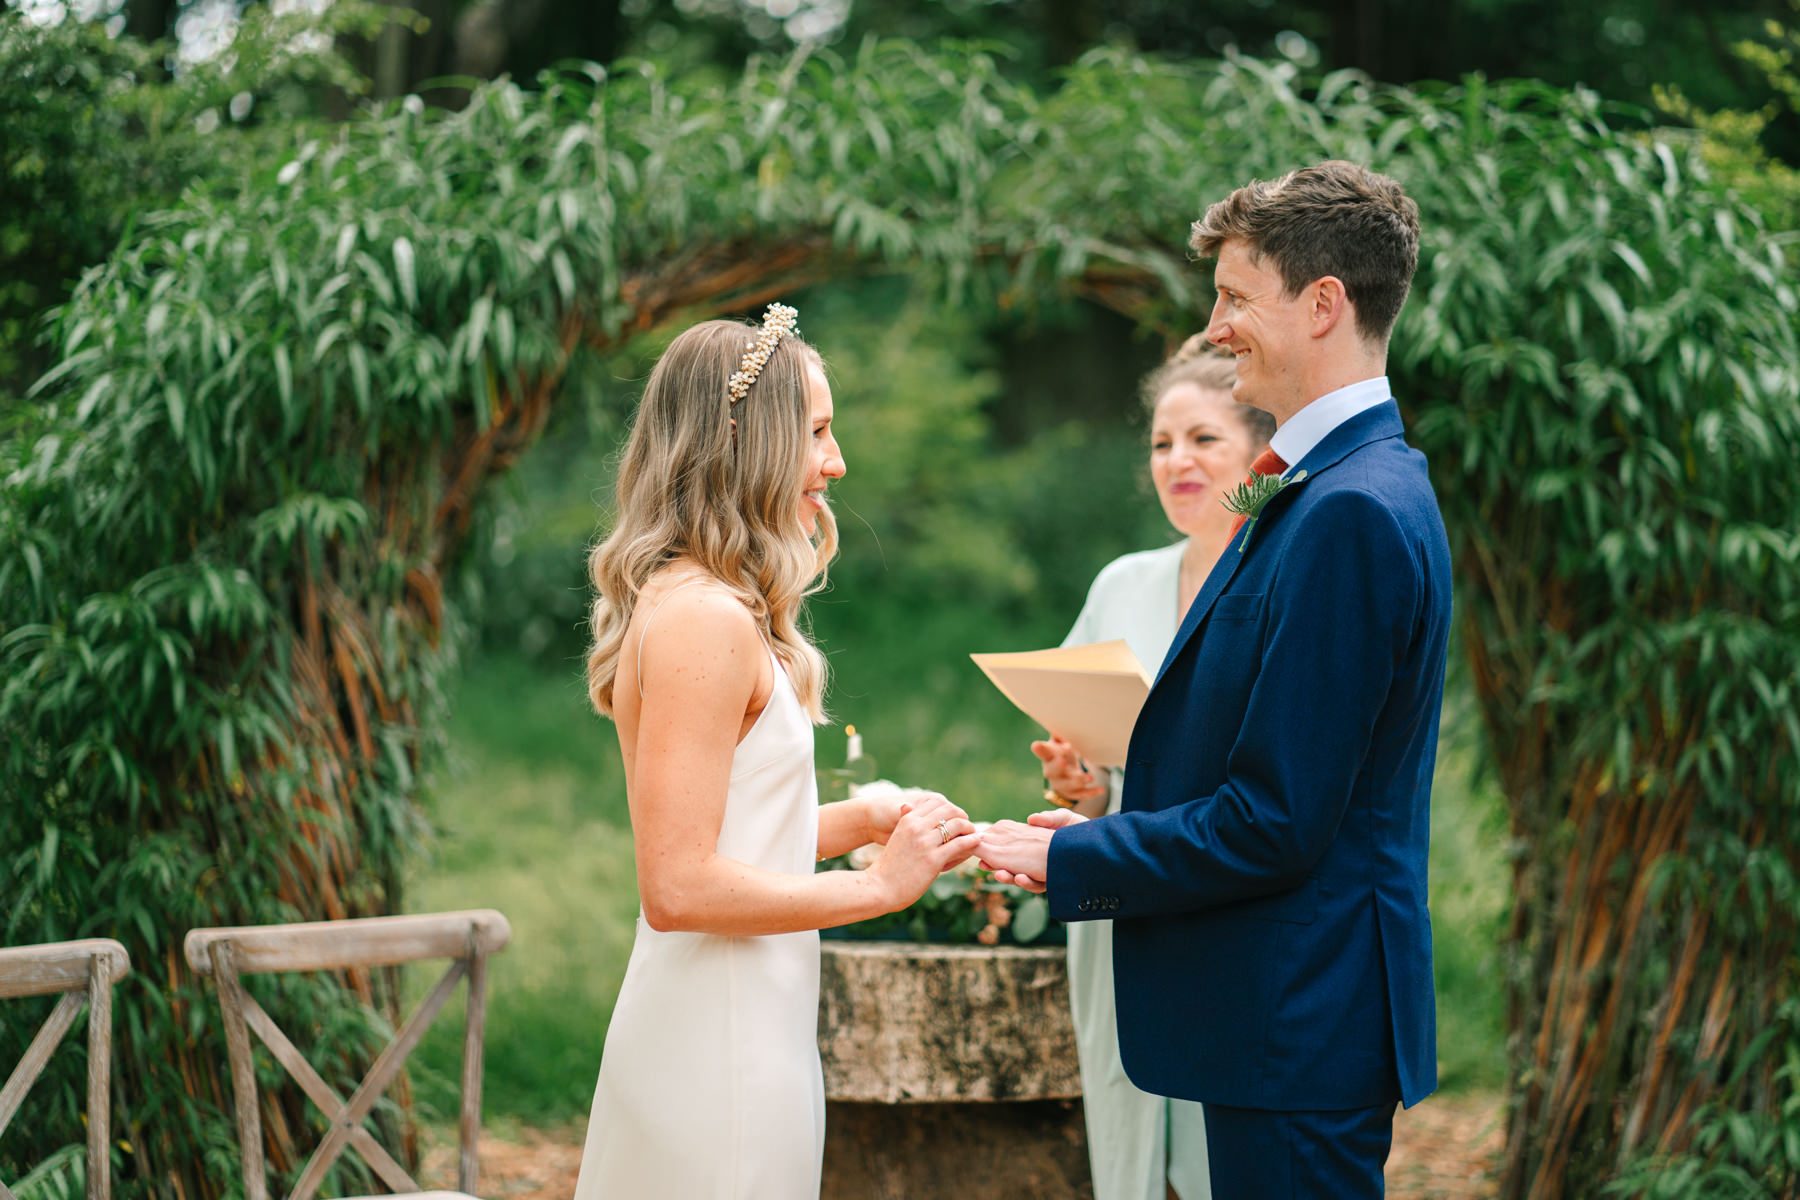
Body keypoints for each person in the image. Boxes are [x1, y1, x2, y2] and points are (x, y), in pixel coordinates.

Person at [981, 161, 1452, 1198]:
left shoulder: (1351, 511)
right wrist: (1103, 815)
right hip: (1282, 1018)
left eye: (1237, 297)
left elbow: (1278, 818)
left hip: (1299, 1023)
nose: (1218, 324)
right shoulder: (1314, 483)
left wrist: (1081, 858)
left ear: (1324, 304)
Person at [573, 304, 982, 1200]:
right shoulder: (702, 618)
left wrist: (863, 818)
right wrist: (879, 886)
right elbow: (678, 886)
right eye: (820, 433)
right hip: (715, 1044)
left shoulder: (707, 602)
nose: (837, 463)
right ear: (746, 441)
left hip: (750, 1016)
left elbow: (732, 840)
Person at [1033, 339, 1272, 1200]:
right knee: (1128, 1125)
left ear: (1256, 449)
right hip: (1124, 887)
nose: (1179, 462)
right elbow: (1106, 767)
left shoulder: (1280, 576)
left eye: (1204, 439)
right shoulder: (1122, 582)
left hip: (1224, 885)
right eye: (1163, 443)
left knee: (1224, 1139)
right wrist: (1084, 787)